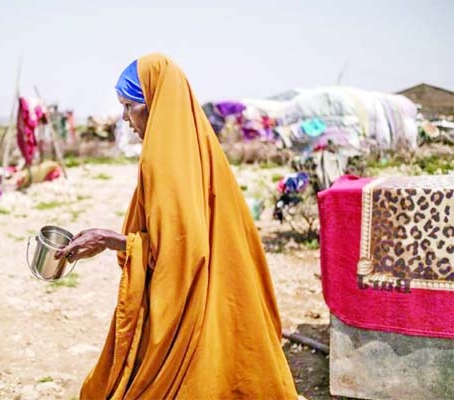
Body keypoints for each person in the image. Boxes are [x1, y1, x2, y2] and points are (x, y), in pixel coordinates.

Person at [56, 53, 297, 399]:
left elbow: (184, 248)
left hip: (193, 298)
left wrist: (112, 240)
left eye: (130, 106)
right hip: (227, 287)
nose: (125, 118)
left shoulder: (162, 157)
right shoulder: (200, 144)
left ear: (153, 102)